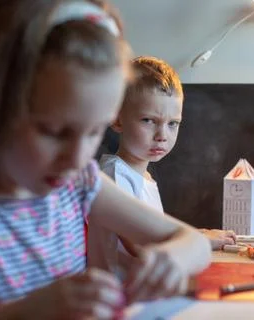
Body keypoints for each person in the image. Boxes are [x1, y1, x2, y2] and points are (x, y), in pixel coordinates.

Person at [0, 1, 212, 319]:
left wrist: (171, 258)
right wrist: (22, 313)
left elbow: (194, 243)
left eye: (95, 131)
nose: (77, 158)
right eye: (55, 132)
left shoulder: (79, 183)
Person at [88, 56, 235, 271]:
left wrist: (193, 236)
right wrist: (197, 241)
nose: (162, 135)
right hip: (119, 296)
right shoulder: (115, 175)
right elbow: (142, 247)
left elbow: (154, 233)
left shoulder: (144, 178)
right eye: (149, 120)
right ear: (118, 120)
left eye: (173, 124)